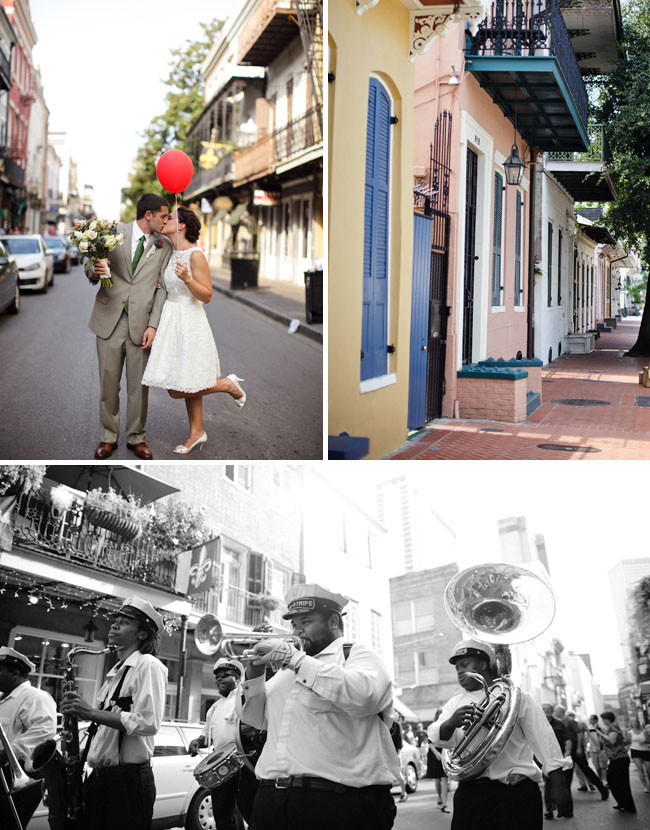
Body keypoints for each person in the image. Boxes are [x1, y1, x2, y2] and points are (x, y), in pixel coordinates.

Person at [238, 582, 399, 830]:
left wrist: (293, 658)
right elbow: (255, 718)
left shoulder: (355, 655)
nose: (297, 631)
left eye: (306, 622)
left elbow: (365, 697)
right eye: (294, 624)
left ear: (333, 622)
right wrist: (254, 673)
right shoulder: (286, 670)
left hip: (337, 803)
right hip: (272, 799)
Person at [429, 639, 572, 830]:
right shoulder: (455, 703)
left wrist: (558, 784)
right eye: (457, 669)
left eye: (464, 665)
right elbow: (438, 737)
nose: (460, 672)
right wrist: (451, 722)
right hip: (471, 794)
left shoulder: (516, 697)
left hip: (516, 794)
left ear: (482, 664)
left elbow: (544, 739)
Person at [142, 205, 246, 455]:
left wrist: (188, 279)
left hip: (190, 320)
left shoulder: (196, 255)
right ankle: (197, 432)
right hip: (171, 319)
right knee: (182, 380)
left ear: (181, 226)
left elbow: (207, 295)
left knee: (179, 387)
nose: (165, 220)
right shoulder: (169, 250)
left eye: (171, 218)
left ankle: (227, 385)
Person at [60, 596, 167, 830]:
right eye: (115, 619)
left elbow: (148, 723)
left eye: (125, 621)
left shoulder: (148, 665)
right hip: (100, 778)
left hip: (127, 782)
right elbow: (104, 727)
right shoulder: (115, 672)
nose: (115, 625)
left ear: (142, 634)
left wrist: (89, 712)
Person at [90, 193, 173, 460]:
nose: (167, 220)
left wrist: (154, 325)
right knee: (108, 383)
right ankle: (107, 437)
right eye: (163, 215)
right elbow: (89, 265)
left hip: (141, 325)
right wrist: (95, 268)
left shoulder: (165, 246)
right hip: (109, 320)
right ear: (148, 215)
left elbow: (163, 290)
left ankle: (137, 438)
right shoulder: (114, 233)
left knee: (139, 386)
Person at [188, 657, 258, 830]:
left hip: (245, 764)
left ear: (236, 678)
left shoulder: (243, 699)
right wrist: (197, 742)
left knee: (249, 810)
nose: (219, 679)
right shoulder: (214, 708)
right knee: (222, 814)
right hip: (222, 768)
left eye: (225, 675)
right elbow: (206, 738)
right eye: (217, 676)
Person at [0, 646, 57, 829]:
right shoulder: (2, 699)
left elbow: (43, 732)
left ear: (15, 672)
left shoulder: (35, 697)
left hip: (15, 774)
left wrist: (6, 753)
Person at [554, 706, 608, 799]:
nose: (555, 712)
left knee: (586, 770)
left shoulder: (570, 721)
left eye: (556, 711)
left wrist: (579, 748)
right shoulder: (559, 722)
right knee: (567, 774)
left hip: (575, 749)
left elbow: (579, 734)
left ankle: (603, 790)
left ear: (560, 711)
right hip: (567, 750)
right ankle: (567, 797)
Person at [597, 711, 636, 813]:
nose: (602, 721)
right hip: (614, 759)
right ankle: (621, 802)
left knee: (622, 783)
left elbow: (612, 741)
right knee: (613, 781)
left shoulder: (614, 728)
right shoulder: (609, 729)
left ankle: (628, 805)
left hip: (620, 758)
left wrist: (600, 733)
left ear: (607, 719)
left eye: (602, 719)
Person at [540, 703, 573, 820]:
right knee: (548, 786)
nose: (546, 711)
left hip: (559, 759)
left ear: (552, 711)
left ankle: (566, 810)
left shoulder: (559, 724)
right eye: (544, 709)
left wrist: (567, 753)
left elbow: (568, 739)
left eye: (548, 709)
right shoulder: (537, 724)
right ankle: (549, 810)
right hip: (545, 759)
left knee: (562, 786)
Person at [428, 711, 450, 815]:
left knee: (444, 778)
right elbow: (429, 743)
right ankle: (440, 797)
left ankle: (444, 804)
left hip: (444, 753)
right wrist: (437, 753)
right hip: (435, 754)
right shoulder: (433, 726)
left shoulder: (447, 724)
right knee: (437, 780)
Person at [627, 719, 650, 793]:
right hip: (635, 751)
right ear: (631, 724)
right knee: (640, 769)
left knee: (648, 769)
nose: (635, 724)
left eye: (636, 722)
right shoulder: (629, 732)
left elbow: (649, 740)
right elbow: (629, 742)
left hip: (645, 750)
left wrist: (644, 741)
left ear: (638, 723)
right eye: (633, 722)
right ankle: (645, 786)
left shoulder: (644, 731)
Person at [388, 718, 408, 802]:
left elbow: (400, 742)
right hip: (386, 753)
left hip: (395, 753)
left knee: (398, 774)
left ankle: (404, 792)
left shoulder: (396, 725)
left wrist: (398, 755)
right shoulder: (382, 722)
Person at [586, 715, 608, 782]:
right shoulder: (588, 728)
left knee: (603, 766)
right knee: (596, 765)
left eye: (592, 719)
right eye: (590, 719)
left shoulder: (601, 728)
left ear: (595, 720)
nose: (590, 720)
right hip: (593, 749)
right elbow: (587, 738)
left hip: (601, 749)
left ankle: (605, 780)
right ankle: (601, 779)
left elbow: (605, 736)